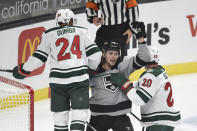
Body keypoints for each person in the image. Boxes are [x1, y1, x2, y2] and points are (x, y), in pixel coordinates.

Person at [13, 9, 102, 131]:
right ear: (71, 20)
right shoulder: (82, 31)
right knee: (79, 114)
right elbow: (96, 55)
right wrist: (91, 70)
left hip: (57, 82)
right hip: (79, 79)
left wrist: (23, 70)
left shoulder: (49, 34)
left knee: (60, 118)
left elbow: (38, 58)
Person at [86, 22, 149, 131]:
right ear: (104, 53)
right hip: (98, 117)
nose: (114, 57)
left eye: (116, 54)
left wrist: (140, 38)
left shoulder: (123, 65)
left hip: (120, 117)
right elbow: (79, 84)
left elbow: (145, 58)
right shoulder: (93, 68)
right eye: (111, 53)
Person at [110, 46, 181, 131]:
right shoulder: (159, 71)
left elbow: (139, 99)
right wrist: (125, 84)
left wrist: (123, 83)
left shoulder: (150, 76)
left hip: (159, 122)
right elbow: (140, 87)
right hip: (164, 120)